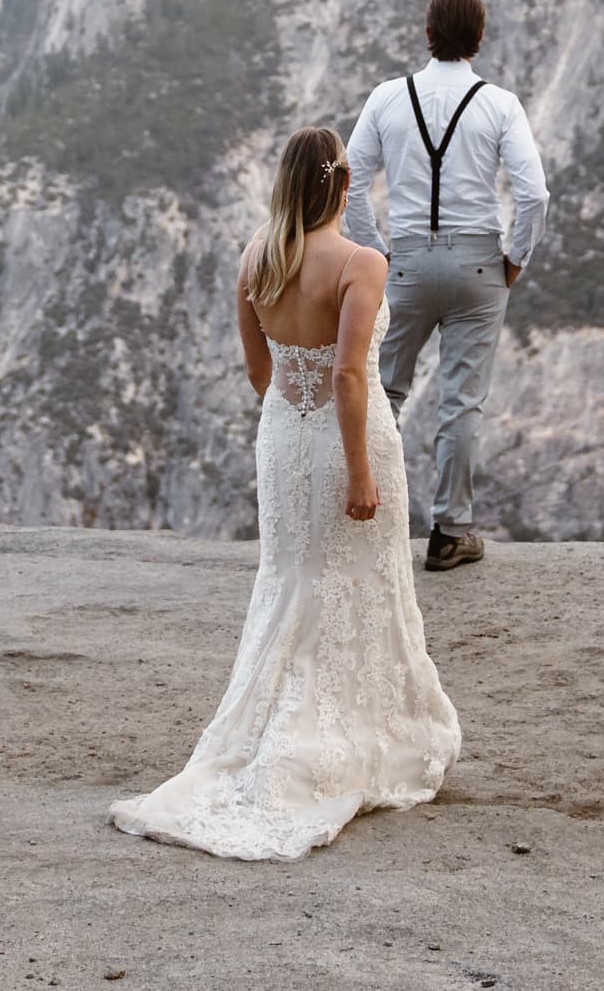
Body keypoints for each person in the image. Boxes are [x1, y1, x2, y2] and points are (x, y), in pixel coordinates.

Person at [109, 125, 460, 861]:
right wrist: (358, 468)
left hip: (284, 440)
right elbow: (350, 376)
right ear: (339, 185)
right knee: (359, 581)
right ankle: (345, 745)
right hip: (346, 441)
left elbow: (258, 369)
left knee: (291, 578)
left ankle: (274, 735)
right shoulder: (361, 262)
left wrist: (293, 422)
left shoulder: (256, 259)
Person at [344, 0, 550, 572]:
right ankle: (450, 531)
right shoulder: (500, 103)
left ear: (428, 34)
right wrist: (516, 258)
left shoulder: (388, 98)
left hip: (404, 262)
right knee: (461, 403)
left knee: (382, 391)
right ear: (479, 39)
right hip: (479, 266)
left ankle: (366, 521)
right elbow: (534, 193)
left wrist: (375, 251)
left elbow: (351, 180)